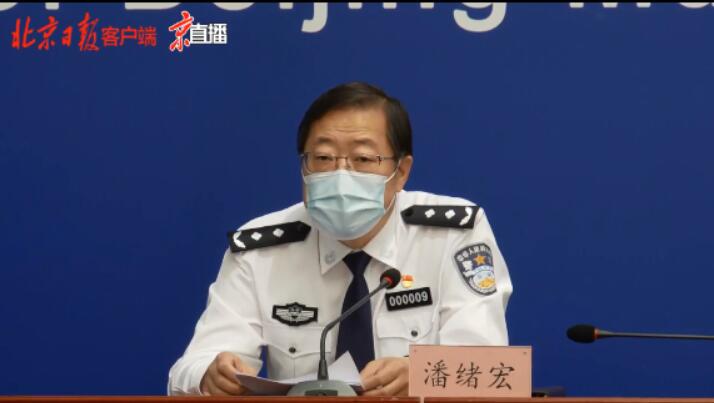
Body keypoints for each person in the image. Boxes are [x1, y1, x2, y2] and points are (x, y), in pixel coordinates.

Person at [168, 82, 513, 397]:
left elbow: (495, 370)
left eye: (363, 159)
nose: (341, 173)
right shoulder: (261, 251)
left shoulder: (452, 236)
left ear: (401, 172)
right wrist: (209, 376)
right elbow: (189, 369)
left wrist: (422, 375)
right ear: (303, 166)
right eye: (323, 158)